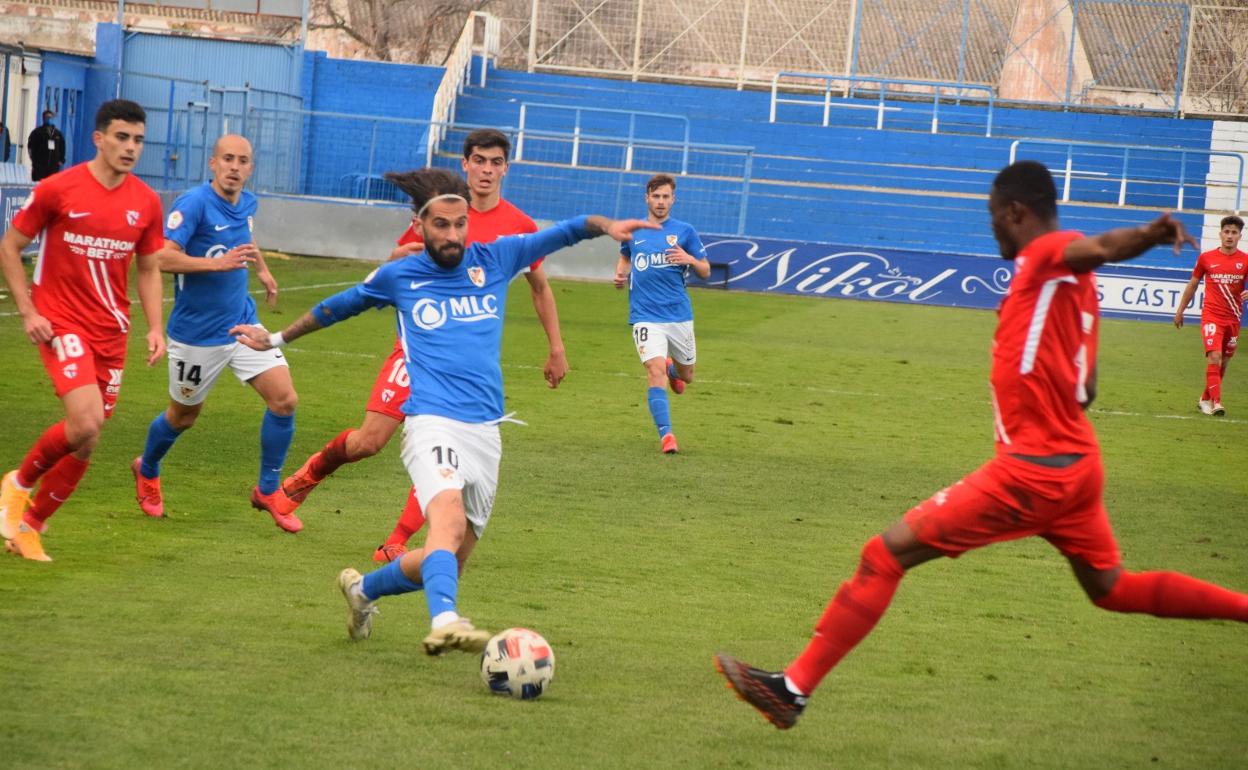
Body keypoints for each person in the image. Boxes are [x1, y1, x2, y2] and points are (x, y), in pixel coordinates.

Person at [713, 161, 1248, 731]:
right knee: (1112, 588)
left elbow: (1095, 247)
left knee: (883, 554)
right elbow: (1086, 388)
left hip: (1033, 470)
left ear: (1016, 212)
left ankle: (791, 691)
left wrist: (1145, 235)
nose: (992, 228)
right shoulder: (1077, 295)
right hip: (1077, 465)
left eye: (994, 217)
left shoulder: (1048, 255)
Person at [228, 168, 653, 654]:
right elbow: (337, 308)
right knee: (445, 525)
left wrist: (608, 227)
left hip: (486, 431)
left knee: (449, 554)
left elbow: (569, 229)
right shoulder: (400, 275)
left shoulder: (495, 258)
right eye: (440, 225)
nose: (452, 235)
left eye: (459, 224)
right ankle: (447, 620)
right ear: (420, 224)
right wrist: (277, 338)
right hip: (431, 421)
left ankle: (362, 590)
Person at [279, 128, 569, 562]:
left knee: (448, 451)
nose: (487, 170)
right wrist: (411, 256)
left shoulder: (519, 227)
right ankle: (305, 478)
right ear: (465, 165)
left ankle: (395, 542)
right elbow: (393, 267)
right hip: (415, 351)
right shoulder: (437, 213)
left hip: (465, 365)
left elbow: (540, 287)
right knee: (369, 441)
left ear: (506, 168)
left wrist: (557, 348)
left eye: (495, 162)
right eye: (479, 161)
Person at [0, 99, 166, 561]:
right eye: (121, 137)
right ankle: (17, 483)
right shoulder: (59, 189)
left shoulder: (146, 202)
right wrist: (30, 312)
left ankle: (30, 528)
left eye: (137, 140)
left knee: (88, 437)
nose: (130, 148)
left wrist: (156, 328)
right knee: (86, 420)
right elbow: (10, 248)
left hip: (111, 331)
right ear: (99, 138)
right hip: (61, 322)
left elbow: (149, 269)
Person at [131, 134, 300, 530]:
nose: (235, 167)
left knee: (285, 400)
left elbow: (245, 239)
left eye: (242, 161)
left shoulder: (248, 202)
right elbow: (160, 257)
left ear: (250, 168)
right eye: (227, 159)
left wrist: (261, 268)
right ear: (212, 163)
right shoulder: (193, 203)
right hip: (196, 335)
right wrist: (216, 264)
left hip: (242, 322)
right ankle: (148, 467)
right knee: (183, 416)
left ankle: (267, 489)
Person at [613, 173, 709, 454]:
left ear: (673, 199)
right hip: (644, 315)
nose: (661, 202)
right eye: (656, 196)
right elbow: (625, 256)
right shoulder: (633, 231)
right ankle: (667, 436)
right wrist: (620, 274)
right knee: (654, 372)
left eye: (666, 196)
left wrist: (690, 259)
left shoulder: (685, 231)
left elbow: (705, 271)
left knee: (687, 375)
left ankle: (673, 369)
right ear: (647, 198)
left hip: (678, 314)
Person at [1172, 214, 1248, 416]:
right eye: (1226, 232)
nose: (1229, 236)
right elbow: (1193, 284)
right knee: (1214, 356)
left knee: (1223, 361)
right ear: (1220, 234)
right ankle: (1216, 402)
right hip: (1211, 316)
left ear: (1240, 236)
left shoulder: (1245, 260)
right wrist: (1180, 310)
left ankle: (1205, 398)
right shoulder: (1206, 258)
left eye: (1234, 232)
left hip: (1233, 318)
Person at [28, 110, 66, 181]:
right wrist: (34, 161)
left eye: (51, 117)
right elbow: (31, 147)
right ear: (43, 119)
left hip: (53, 167)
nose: (49, 119)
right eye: (47, 117)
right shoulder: (37, 133)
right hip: (39, 167)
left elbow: (62, 147)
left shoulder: (58, 134)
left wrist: (61, 160)